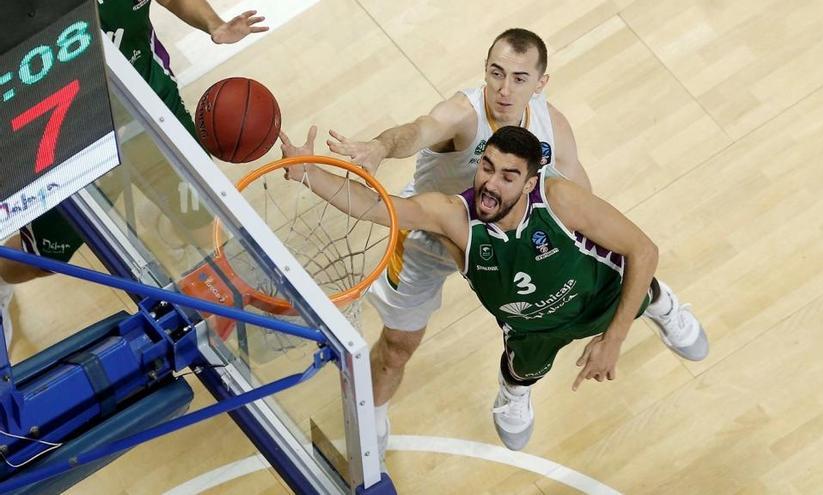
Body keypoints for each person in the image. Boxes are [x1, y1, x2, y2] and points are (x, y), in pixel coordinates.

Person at [280, 125, 708, 451]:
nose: (491, 183)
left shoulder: (559, 200)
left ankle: (663, 306)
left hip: (599, 294)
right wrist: (308, 175)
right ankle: (515, 392)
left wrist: (613, 339)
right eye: (487, 167)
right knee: (521, 372)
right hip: (532, 327)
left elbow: (644, 250)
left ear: (528, 183)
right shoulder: (455, 216)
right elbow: (380, 208)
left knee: (643, 291)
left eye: (508, 176)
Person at [325, 28, 593, 456]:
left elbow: (580, 191)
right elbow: (418, 130)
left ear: (540, 83)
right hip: (429, 238)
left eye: (520, 78)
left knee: (553, 312)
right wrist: (380, 146)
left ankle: (516, 385)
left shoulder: (549, 123)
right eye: (496, 73)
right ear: (485, 70)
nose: (504, 90)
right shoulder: (463, 114)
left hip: (508, 241)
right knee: (397, 346)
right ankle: (372, 414)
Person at [0, 0, 269, 349]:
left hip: (147, 98)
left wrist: (214, 25)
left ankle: (161, 209)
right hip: (71, 132)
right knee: (42, 261)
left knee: (207, 224)